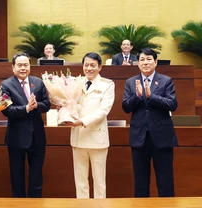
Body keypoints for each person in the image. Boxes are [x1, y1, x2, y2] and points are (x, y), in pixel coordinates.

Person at [122, 48, 178, 197]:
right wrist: (137, 96)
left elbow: (172, 104)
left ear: (155, 62)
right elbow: (126, 107)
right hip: (139, 137)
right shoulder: (131, 82)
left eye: (148, 59)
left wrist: (152, 96)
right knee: (140, 180)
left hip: (162, 137)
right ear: (138, 63)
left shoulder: (166, 81)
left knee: (165, 179)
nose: (145, 63)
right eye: (142, 60)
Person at [65, 52, 115, 198]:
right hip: (78, 138)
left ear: (100, 67)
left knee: (99, 182)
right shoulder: (75, 83)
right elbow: (69, 104)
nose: (89, 68)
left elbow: (103, 111)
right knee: (80, 182)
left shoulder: (107, 84)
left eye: (93, 65)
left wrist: (82, 122)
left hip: (97, 139)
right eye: (86, 65)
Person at [1, 53, 51, 198]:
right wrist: (26, 108)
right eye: (19, 65)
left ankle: (35, 204)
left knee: (36, 176)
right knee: (17, 176)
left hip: (37, 137)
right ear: (13, 67)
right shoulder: (6, 85)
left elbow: (46, 104)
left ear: (30, 66)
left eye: (26, 65)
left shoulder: (39, 82)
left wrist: (36, 106)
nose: (23, 68)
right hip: (17, 137)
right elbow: (7, 110)